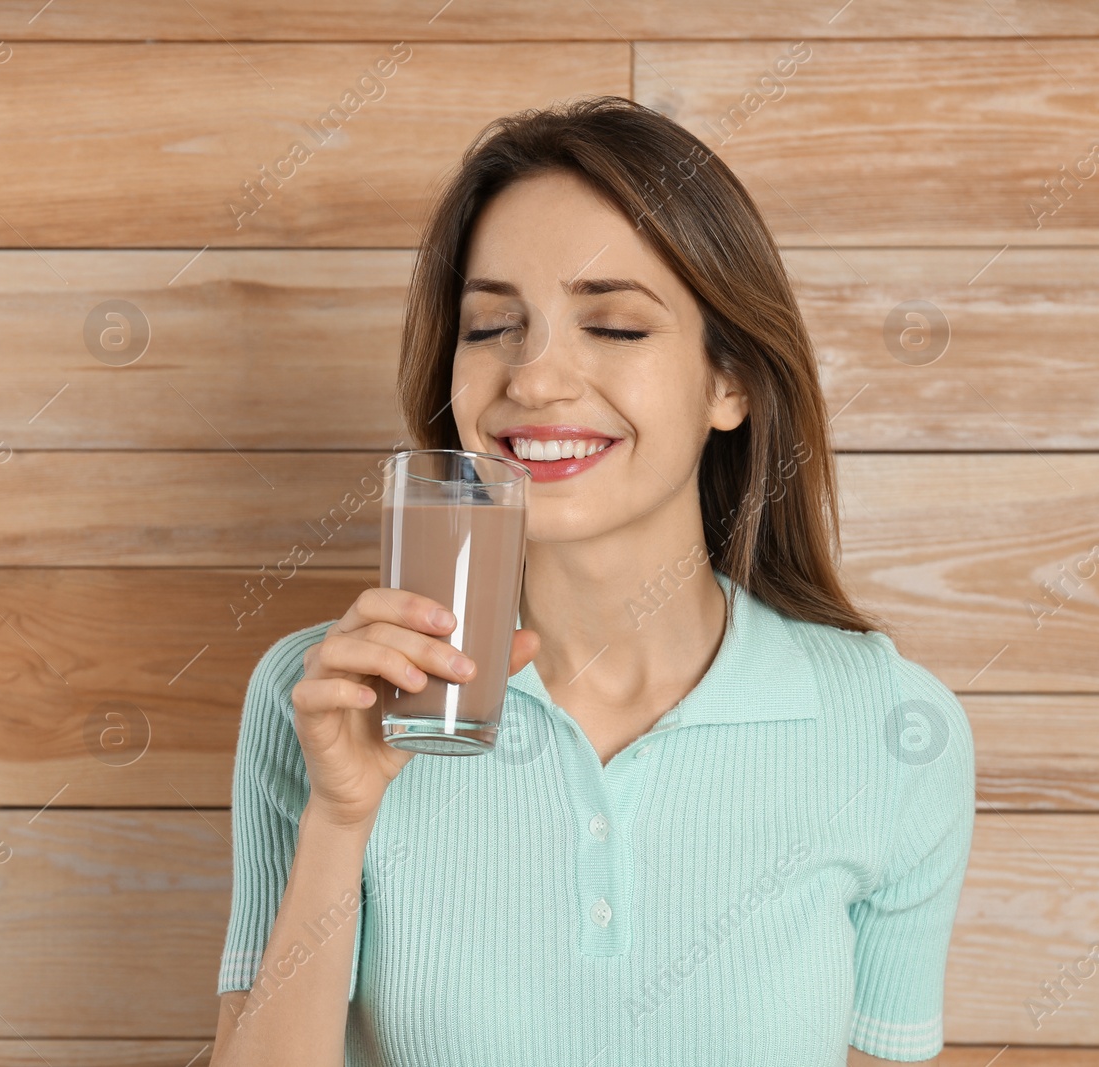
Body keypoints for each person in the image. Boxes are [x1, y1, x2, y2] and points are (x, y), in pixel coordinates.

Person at [210, 95, 974, 1067]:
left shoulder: (894, 728)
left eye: (613, 325)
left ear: (728, 380)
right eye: (490, 326)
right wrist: (341, 816)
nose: (532, 376)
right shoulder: (319, 698)